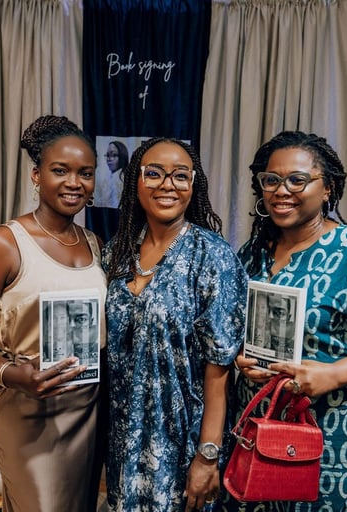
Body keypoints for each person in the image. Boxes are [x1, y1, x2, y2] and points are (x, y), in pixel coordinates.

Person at [223, 131, 347, 512]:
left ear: (327, 188)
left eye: (297, 180)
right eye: (271, 180)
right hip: (258, 420)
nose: (282, 190)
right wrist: (242, 359)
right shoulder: (254, 252)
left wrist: (333, 374)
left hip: (331, 429)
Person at [0, 115, 106, 512]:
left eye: (85, 173)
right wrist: (12, 374)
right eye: (60, 170)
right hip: (28, 408)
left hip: (88, 409)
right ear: (37, 175)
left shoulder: (93, 243)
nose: (74, 182)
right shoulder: (4, 244)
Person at [102, 137, 248, 511]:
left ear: (193, 184)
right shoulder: (117, 251)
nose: (167, 185)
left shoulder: (212, 256)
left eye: (180, 176)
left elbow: (219, 371)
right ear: (135, 181)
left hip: (183, 439)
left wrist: (208, 455)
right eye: (154, 174)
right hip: (123, 436)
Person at [94, 139, 129, 208]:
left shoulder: (121, 179)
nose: (109, 159)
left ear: (122, 157)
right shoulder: (112, 177)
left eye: (114, 155)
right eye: (107, 155)